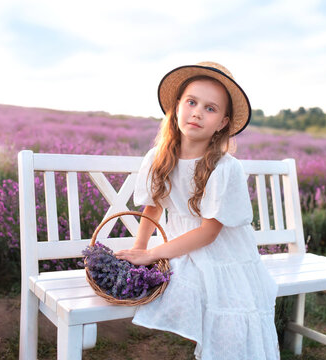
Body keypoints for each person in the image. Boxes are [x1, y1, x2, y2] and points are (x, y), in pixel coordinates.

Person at [115, 61, 280, 359]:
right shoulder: (158, 157)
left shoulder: (224, 167)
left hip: (223, 253)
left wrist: (154, 253)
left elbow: (208, 233)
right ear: (177, 107)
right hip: (182, 248)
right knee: (173, 281)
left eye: (210, 108)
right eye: (191, 102)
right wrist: (139, 250)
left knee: (229, 316)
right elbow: (152, 208)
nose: (197, 112)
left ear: (222, 123)